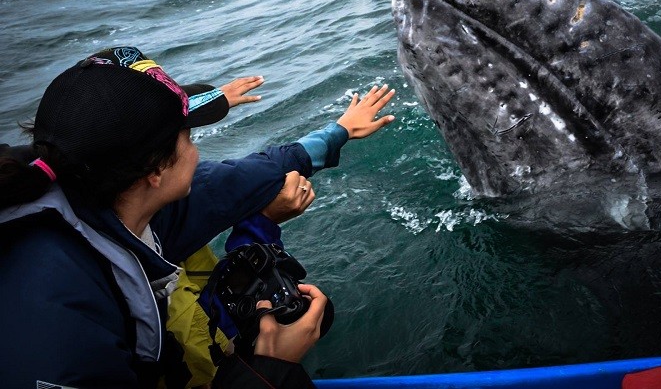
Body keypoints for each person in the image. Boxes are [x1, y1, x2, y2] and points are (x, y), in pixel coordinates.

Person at [0, 46, 395, 388]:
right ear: (154, 171)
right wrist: (271, 368)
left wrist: (338, 131)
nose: (196, 148)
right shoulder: (57, 328)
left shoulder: (106, 183)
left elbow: (254, 173)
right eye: (188, 135)